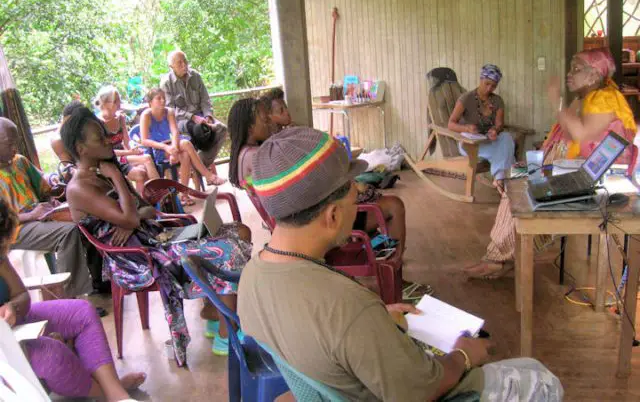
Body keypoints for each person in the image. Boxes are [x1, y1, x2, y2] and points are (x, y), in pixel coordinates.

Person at [237, 127, 563, 401]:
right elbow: (419, 391)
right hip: (422, 389)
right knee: (543, 379)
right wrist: (463, 356)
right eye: (355, 192)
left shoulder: (251, 278)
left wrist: (377, 324)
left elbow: (323, 332)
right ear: (333, 215)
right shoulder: (348, 307)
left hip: (347, 378)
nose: (360, 194)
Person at [61, 107, 252, 363]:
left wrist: (133, 218)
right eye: (100, 138)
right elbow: (131, 216)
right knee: (226, 249)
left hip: (155, 239)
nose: (108, 141)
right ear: (81, 148)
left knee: (240, 231)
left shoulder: (101, 174)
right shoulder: (80, 187)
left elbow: (147, 210)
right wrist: (119, 179)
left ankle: (212, 313)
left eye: (106, 135)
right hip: (136, 259)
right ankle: (225, 335)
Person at [464, 48, 637, 279]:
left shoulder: (605, 98)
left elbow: (580, 134)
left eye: (576, 69)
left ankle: (499, 258)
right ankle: (502, 255)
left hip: (586, 177)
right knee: (511, 176)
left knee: (519, 187)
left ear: (594, 76)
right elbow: (563, 131)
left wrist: (557, 101)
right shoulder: (581, 99)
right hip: (560, 165)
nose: (569, 73)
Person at [228, 98, 409, 263]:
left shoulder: (247, 156)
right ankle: (393, 266)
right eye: (265, 119)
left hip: (303, 220)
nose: (270, 121)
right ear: (249, 127)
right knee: (394, 206)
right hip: (315, 221)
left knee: (370, 198)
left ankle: (381, 260)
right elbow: (307, 187)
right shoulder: (261, 157)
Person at [0, 197, 146, 401]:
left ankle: (115, 393)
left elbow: (21, 295)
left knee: (82, 312)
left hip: (12, 324)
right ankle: (109, 394)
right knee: (49, 353)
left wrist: (13, 308)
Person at [0, 117, 93, 298]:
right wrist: (32, 215)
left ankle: (98, 282)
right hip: (14, 230)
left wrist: (53, 194)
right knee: (67, 233)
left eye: (16, 142)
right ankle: (69, 297)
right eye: (9, 143)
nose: (15, 148)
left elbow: (46, 187)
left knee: (88, 220)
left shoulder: (20, 162)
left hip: (38, 218)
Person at [139, 88, 223, 205]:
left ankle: (184, 194)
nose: (163, 101)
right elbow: (144, 140)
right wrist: (166, 148)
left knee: (185, 154)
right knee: (186, 145)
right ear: (150, 102)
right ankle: (207, 176)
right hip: (159, 147)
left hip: (174, 144)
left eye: (164, 97)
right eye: (158, 98)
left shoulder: (169, 112)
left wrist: (173, 148)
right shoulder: (146, 115)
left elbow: (175, 132)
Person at [160, 50, 227, 185]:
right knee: (199, 131)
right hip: (181, 121)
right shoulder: (166, 82)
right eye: (179, 63)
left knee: (222, 129)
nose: (184, 65)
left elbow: (205, 99)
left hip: (201, 117)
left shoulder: (195, 76)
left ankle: (200, 164)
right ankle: (204, 172)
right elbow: (170, 109)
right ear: (171, 66)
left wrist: (208, 115)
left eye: (185, 61)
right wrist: (192, 117)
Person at [448, 64, 515, 192]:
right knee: (507, 150)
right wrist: (467, 128)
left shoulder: (497, 100)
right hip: (470, 144)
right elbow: (451, 124)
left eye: (493, 86)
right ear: (481, 79)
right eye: (487, 83)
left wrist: (495, 130)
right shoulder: (466, 98)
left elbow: (499, 124)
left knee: (506, 137)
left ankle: (500, 179)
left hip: (489, 141)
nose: (489, 88)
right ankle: (503, 180)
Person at [94, 86, 160, 192]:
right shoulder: (97, 123)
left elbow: (126, 142)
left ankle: (147, 201)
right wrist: (129, 152)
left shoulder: (120, 118)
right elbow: (106, 151)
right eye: (116, 101)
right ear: (106, 104)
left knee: (142, 170)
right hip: (110, 160)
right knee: (147, 159)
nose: (119, 103)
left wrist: (134, 151)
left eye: (119, 99)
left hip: (124, 157)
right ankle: (161, 193)